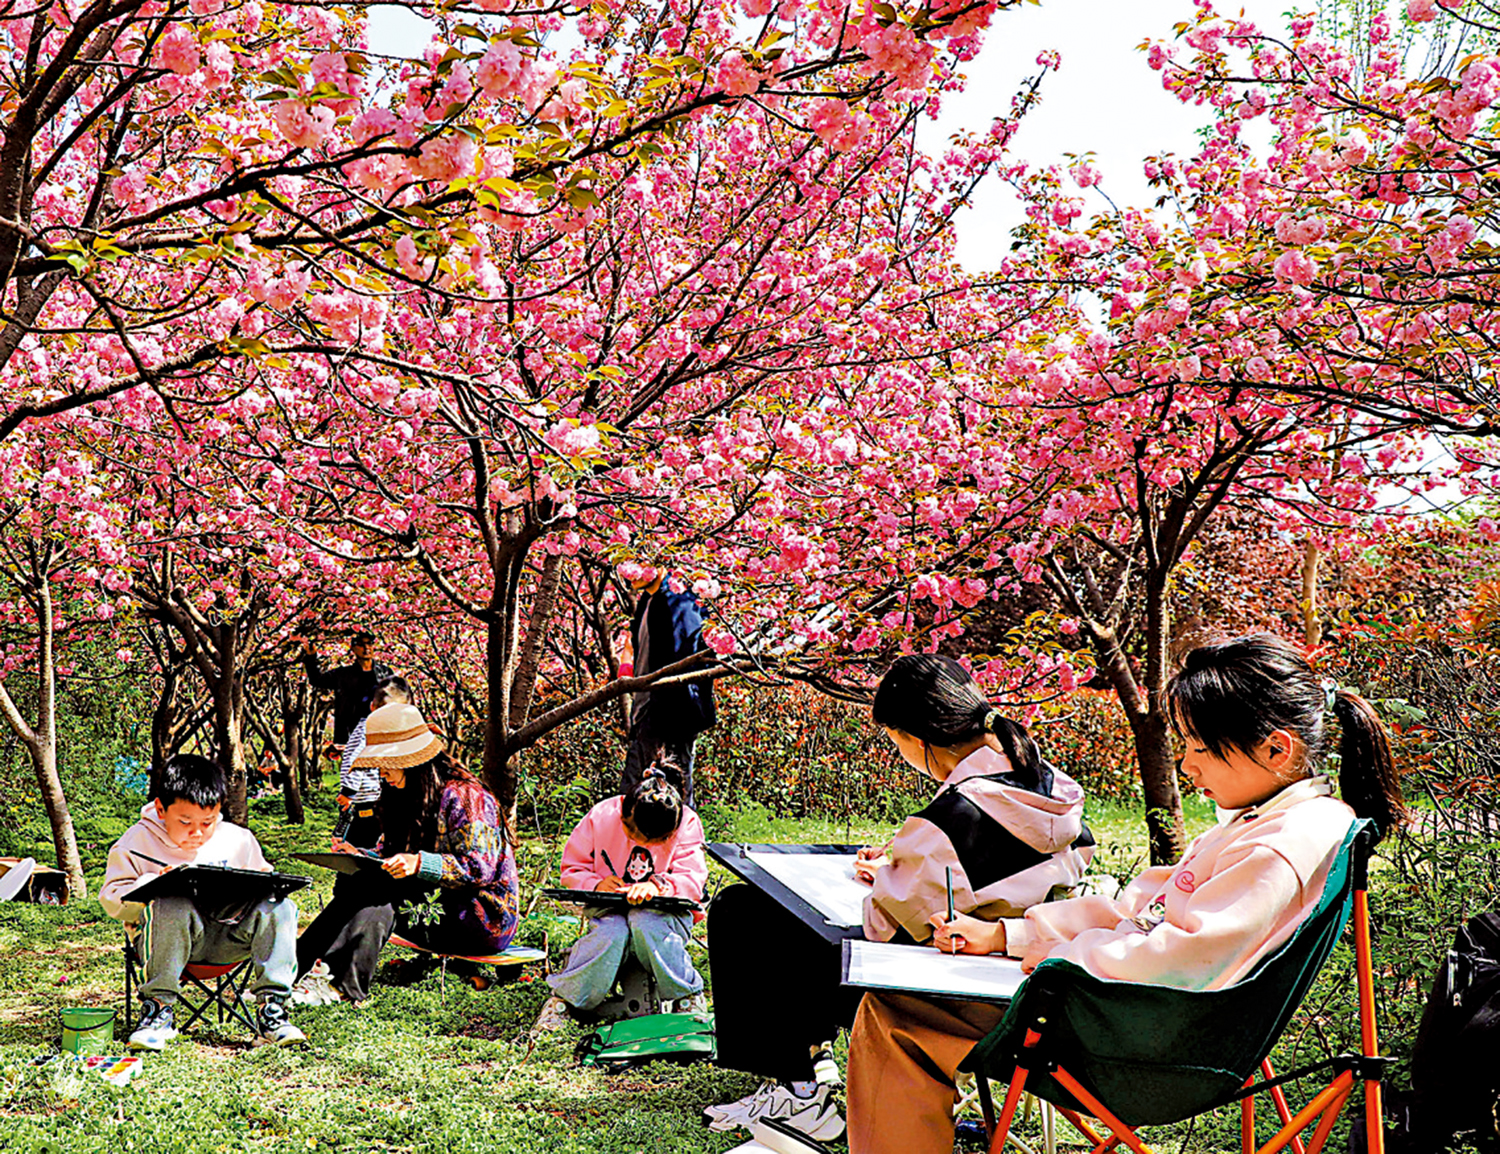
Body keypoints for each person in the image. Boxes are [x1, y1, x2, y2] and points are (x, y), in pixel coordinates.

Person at [845, 633, 1409, 1154]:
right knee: (902, 1007)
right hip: (1131, 1012)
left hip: (1143, 1041)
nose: (1185, 765)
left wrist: (1052, 959)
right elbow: (1140, 910)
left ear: (1276, 749)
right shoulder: (1274, 822)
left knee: (896, 1014)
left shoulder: (1277, 843)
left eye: (1199, 748)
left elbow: (1180, 959)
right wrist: (1005, 935)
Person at [704, 654, 1094, 1141]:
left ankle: (799, 1092)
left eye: (895, 742)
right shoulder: (1053, 784)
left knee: (745, 912)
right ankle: (805, 1083)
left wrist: (888, 880)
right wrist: (898, 871)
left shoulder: (957, 812)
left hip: (948, 992)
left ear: (918, 738)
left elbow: (884, 925)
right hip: (1034, 981)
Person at [293, 702, 519, 1004]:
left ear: (409, 759)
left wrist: (419, 863)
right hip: (433, 905)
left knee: (381, 890)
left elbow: (480, 869)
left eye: (385, 762)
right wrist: (358, 854)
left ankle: (336, 984)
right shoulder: (407, 795)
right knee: (365, 881)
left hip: (480, 919)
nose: (380, 771)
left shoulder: (467, 797)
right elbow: (390, 854)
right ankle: (291, 971)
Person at [100, 754, 306, 1050]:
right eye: (185, 822)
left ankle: (272, 1013)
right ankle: (158, 1011)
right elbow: (112, 900)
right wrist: (153, 882)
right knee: (171, 902)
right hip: (167, 944)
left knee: (279, 906)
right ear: (160, 808)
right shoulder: (135, 842)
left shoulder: (237, 839)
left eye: (208, 822)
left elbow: (263, 879)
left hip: (230, 937)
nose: (197, 833)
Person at [535, 756, 708, 1028]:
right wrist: (595, 884)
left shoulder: (686, 822)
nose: (639, 841)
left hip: (667, 915)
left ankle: (686, 996)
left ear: (670, 832)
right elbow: (572, 868)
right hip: (609, 910)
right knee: (611, 933)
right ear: (624, 815)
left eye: (654, 841)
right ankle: (564, 1001)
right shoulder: (602, 815)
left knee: (646, 923)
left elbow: (692, 878)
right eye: (631, 831)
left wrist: (657, 886)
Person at [618, 563, 716, 808]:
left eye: (635, 562)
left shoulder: (680, 600)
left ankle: (684, 846)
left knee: (670, 796)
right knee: (634, 796)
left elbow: (691, 661)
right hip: (646, 711)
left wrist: (681, 718)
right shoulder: (648, 601)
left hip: (671, 715)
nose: (628, 573)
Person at [335, 675, 412, 850]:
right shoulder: (367, 729)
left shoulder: (388, 733)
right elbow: (354, 759)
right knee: (362, 847)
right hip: (368, 803)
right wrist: (349, 791)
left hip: (381, 802)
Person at [301, 629, 393, 750]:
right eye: (360, 644)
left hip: (381, 729)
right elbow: (317, 680)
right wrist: (311, 657)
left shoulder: (385, 673)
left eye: (369, 643)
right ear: (353, 649)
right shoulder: (342, 674)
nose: (366, 648)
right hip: (353, 731)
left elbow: (396, 698)